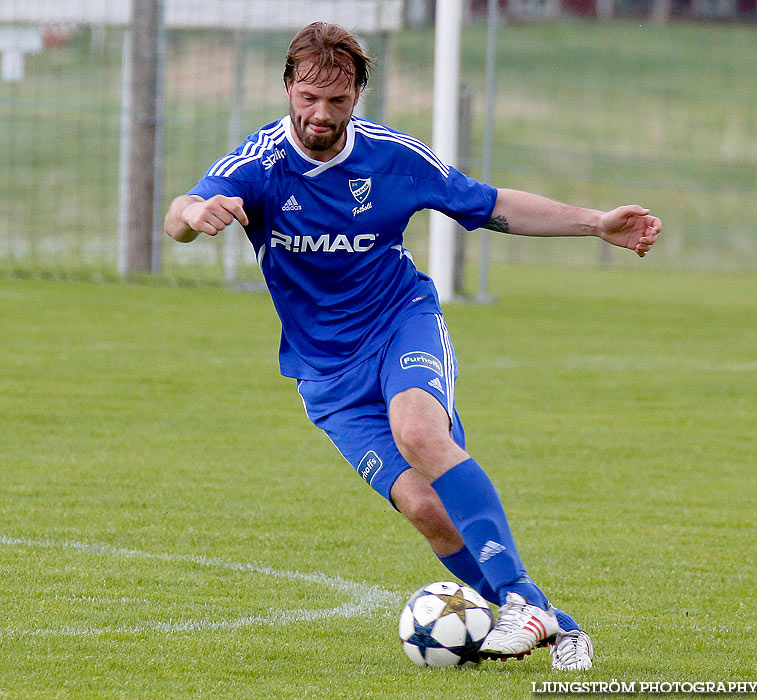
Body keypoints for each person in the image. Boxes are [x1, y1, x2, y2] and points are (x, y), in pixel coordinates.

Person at [165, 22, 660, 671]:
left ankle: (515, 599)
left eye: (336, 101)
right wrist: (192, 218)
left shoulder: (392, 157)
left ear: (357, 97)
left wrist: (594, 222)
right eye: (308, 97)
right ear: (287, 86)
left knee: (419, 431)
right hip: (327, 375)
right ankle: (556, 624)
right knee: (426, 508)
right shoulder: (257, 166)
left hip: (401, 322)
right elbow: (182, 210)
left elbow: (487, 204)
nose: (320, 114)